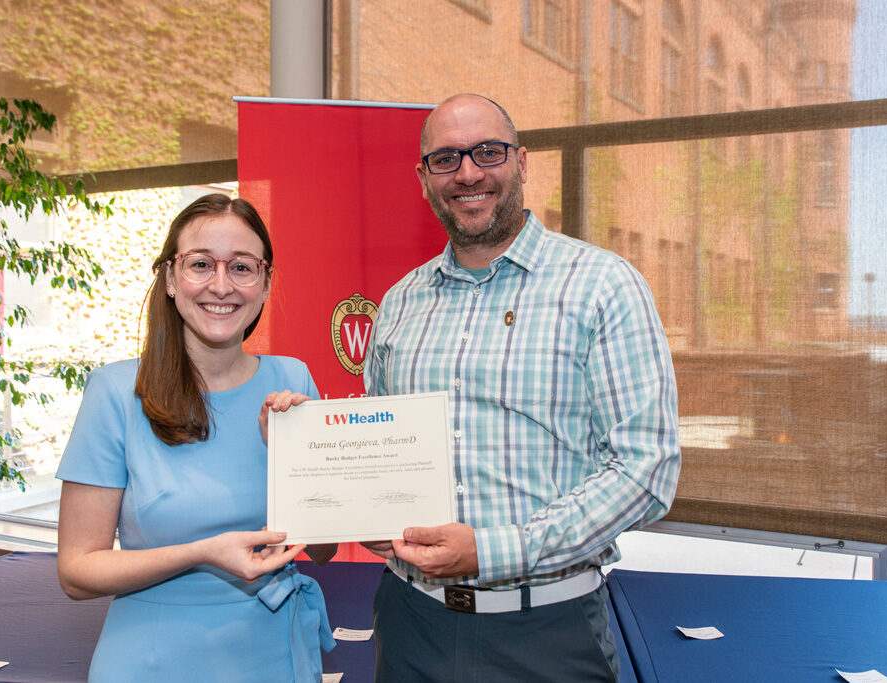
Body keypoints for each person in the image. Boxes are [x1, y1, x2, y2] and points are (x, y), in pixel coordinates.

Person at [361, 94, 681, 682]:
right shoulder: (400, 301)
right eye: (445, 159)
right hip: (410, 625)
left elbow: (646, 472)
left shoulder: (604, 286)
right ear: (423, 178)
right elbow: (382, 456)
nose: (468, 173)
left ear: (523, 161)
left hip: (548, 636)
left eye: (488, 152)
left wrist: (493, 551)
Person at [56, 193, 336, 683]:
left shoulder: (293, 379)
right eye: (201, 264)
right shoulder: (115, 392)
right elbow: (77, 573)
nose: (221, 286)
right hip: (153, 660)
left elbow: (324, 549)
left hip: (277, 654)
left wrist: (292, 463)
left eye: (243, 267)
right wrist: (202, 553)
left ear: (267, 283)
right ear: (169, 278)